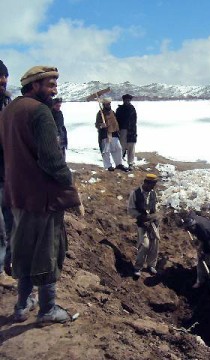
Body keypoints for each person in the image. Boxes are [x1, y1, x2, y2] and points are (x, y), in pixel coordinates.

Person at [0, 65, 83, 325]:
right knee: (49, 251)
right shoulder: (40, 113)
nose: (54, 89)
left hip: (16, 194)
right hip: (42, 198)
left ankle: (23, 304)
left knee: (22, 249)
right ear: (34, 86)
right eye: (49, 84)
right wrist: (70, 187)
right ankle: (47, 309)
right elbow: (52, 160)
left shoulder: (8, 111)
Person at [0, 59, 15, 288]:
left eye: (4, 77)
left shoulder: (8, 104)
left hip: (9, 175)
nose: (2, 80)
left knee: (12, 224)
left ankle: (9, 265)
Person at [127, 173, 160, 277]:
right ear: (146, 183)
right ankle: (138, 267)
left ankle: (151, 265)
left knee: (154, 244)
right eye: (151, 185)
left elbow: (155, 207)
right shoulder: (135, 193)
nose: (152, 188)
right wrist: (142, 217)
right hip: (142, 223)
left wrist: (154, 217)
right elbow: (131, 210)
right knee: (144, 245)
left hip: (153, 223)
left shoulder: (153, 193)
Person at [184, 213, 210, 292]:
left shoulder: (204, 230)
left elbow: (209, 245)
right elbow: (190, 214)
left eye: (191, 228)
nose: (190, 230)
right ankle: (200, 281)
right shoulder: (191, 218)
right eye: (188, 228)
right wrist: (200, 252)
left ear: (194, 225)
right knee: (200, 260)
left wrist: (203, 253)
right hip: (204, 237)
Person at [95, 98, 129, 172]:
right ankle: (108, 166)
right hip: (105, 134)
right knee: (106, 151)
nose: (108, 105)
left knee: (118, 148)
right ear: (104, 105)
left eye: (109, 104)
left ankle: (119, 164)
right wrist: (101, 125)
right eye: (107, 104)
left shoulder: (112, 112)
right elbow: (97, 124)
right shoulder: (100, 113)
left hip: (114, 133)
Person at [115, 94, 137, 169]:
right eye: (126, 100)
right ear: (123, 100)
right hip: (122, 130)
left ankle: (131, 163)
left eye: (128, 100)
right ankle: (119, 163)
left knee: (131, 147)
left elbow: (134, 121)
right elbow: (116, 120)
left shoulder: (132, 109)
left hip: (131, 130)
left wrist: (133, 131)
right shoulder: (119, 109)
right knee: (121, 147)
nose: (127, 101)